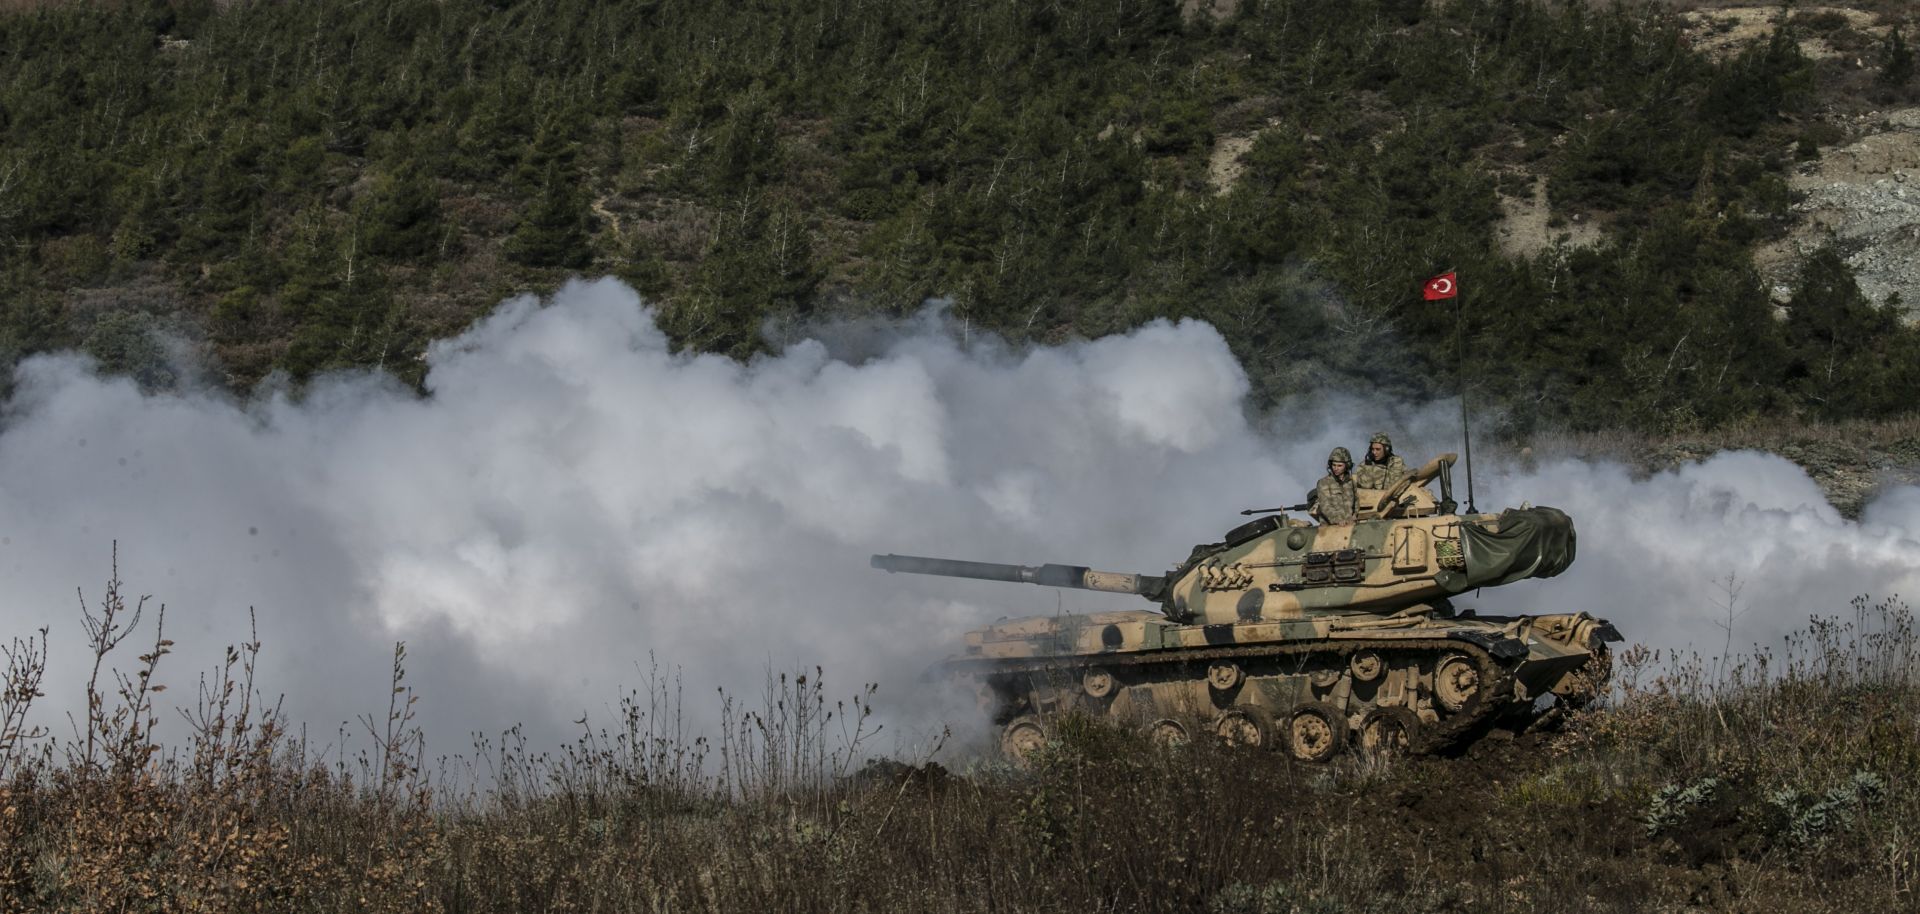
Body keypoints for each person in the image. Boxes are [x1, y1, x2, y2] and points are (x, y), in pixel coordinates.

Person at [1308, 447, 1358, 525]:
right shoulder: (1324, 482)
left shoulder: (1351, 482)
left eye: (1339, 466)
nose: (1335, 468)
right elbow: (1325, 506)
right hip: (1330, 528)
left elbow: (1356, 501)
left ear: (1347, 466)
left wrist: (1355, 515)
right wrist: (1338, 520)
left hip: (1349, 525)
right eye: (1334, 465)